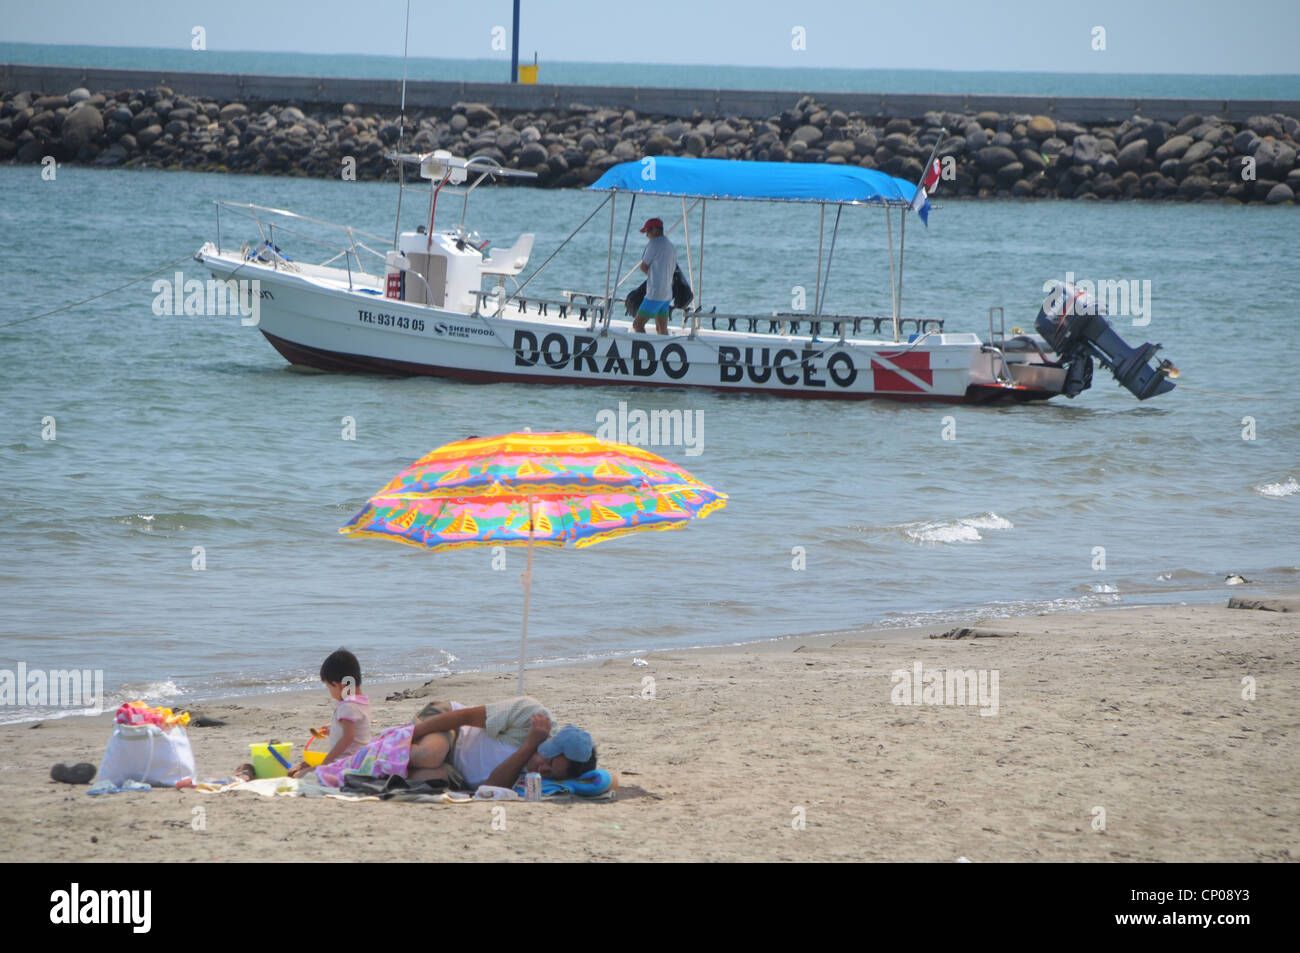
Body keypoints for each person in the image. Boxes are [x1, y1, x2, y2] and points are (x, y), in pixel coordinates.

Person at [304, 692, 597, 791]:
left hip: (456, 771)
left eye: (550, 772)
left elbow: (492, 786)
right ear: (553, 744)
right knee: (430, 755)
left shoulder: (537, 775)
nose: (543, 769)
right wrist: (411, 733)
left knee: (428, 779)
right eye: (549, 761)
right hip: (449, 728)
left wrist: (528, 750)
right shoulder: (531, 714)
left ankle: (350, 769)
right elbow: (463, 717)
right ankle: (382, 748)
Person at [287, 648, 371, 778]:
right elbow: (354, 731)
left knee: (299, 776)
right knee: (308, 768)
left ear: (338, 685)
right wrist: (334, 729)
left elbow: (348, 738)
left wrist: (327, 761)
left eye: (329, 687)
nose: (330, 692)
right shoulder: (361, 702)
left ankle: (305, 769)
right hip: (360, 760)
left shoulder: (347, 706)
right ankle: (308, 766)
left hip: (347, 762)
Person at [634, 217, 676, 335]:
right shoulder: (670, 245)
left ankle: (641, 351)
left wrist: (653, 276)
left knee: (638, 324)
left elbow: (643, 266)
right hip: (667, 293)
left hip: (655, 293)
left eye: (647, 231)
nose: (646, 235)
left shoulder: (654, 244)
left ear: (655, 230)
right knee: (661, 329)